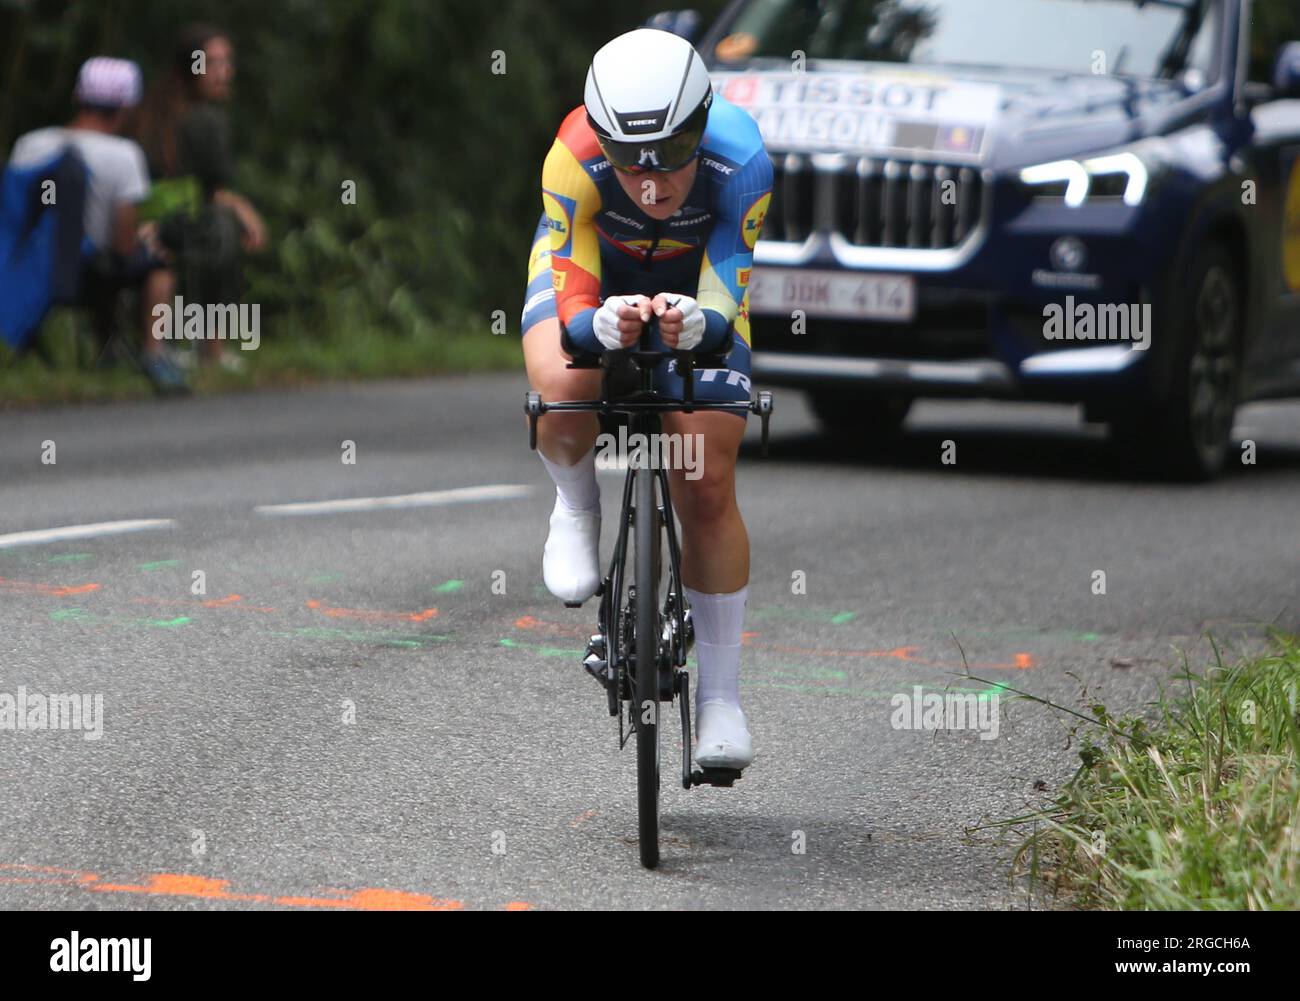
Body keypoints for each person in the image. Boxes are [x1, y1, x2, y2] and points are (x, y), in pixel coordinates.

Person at [521, 28, 772, 770]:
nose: (653, 185)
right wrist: (595, 325)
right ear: (602, 141)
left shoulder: (743, 161)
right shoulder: (571, 158)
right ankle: (575, 501)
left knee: (706, 474)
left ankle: (722, 698)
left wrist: (704, 323)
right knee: (566, 388)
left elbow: (727, 290)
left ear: (701, 127)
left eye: (671, 155)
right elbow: (571, 296)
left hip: (695, 283)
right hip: (596, 273)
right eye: (630, 164)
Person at [7, 56, 186, 392]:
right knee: (157, 265)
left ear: (78, 97)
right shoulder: (123, 155)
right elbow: (122, 244)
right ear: (127, 106)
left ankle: (95, 351)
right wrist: (143, 237)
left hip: (26, 272)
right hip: (86, 277)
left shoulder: (29, 144)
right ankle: (153, 354)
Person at [131, 23, 265, 372]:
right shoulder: (203, 121)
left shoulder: (151, 109)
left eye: (227, 62)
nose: (225, 72)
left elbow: (204, 190)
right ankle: (212, 347)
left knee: (215, 224)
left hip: (141, 219)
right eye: (214, 63)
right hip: (159, 224)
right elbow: (212, 192)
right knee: (221, 228)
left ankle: (192, 344)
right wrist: (240, 208)